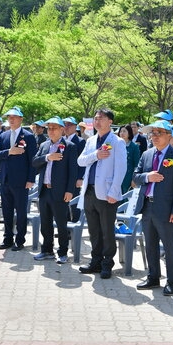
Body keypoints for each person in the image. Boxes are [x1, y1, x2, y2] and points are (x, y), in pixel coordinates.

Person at [132, 120, 173, 295]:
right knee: (150, 244)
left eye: (159, 133)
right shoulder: (147, 154)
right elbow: (135, 176)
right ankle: (153, 276)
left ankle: (171, 280)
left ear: (169, 136)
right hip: (147, 205)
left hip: (166, 209)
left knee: (169, 246)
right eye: (152, 133)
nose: (154, 136)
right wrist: (148, 176)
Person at [77, 108, 127, 279]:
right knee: (93, 230)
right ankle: (95, 261)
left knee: (107, 230)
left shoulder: (117, 141)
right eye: (95, 118)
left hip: (106, 193)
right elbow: (81, 161)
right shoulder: (91, 141)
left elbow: (121, 169)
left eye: (101, 118)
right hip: (89, 191)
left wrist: (114, 191)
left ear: (110, 122)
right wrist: (96, 155)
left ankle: (107, 263)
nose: (97, 121)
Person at [32, 116, 78, 264]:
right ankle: (47, 250)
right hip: (44, 190)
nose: (51, 131)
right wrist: (47, 157)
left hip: (60, 191)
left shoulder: (69, 146)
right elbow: (34, 162)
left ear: (61, 130)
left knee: (61, 223)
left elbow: (73, 171)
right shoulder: (45, 146)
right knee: (45, 223)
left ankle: (63, 252)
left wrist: (70, 190)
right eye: (49, 128)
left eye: (54, 128)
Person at [0, 106, 38, 251]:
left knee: (20, 211)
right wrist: (9, 152)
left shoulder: (29, 136)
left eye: (14, 117)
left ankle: (20, 239)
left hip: (21, 180)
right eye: (9, 117)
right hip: (5, 179)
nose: (11, 119)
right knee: (6, 211)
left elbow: (33, 160)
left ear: (21, 119)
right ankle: (7, 238)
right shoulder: (3, 136)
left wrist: (31, 179)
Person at [63, 116, 86, 222]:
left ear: (75, 127)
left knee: (74, 203)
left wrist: (80, 177)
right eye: (65, 125)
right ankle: (65, 227)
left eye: (69, 125)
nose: (66, 127)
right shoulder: (61, 140)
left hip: (75, 177)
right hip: (62, 177)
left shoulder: (80, 142)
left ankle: (75, 226)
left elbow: (82, 162)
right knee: (63, 203)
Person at [118, 124, 140, 195]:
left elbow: (137, 164)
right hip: (117, 175)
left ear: (129, 133)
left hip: (128, 176)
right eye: (121, 131)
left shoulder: (134, 146)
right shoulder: (116, 146)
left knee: (126, 196)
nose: (122, 133)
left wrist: (134, 179)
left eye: (124, 131)